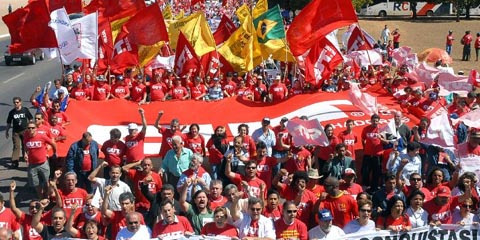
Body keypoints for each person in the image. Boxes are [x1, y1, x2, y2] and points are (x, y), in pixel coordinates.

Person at [24, 122, 57, 198]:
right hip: (32, 165)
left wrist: (55, 152)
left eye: (32, 128)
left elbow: (53, 143)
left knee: (46, 182)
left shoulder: (41, 136)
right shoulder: (26, 138)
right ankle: (41, 198)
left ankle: (47, 196)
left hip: (43, 163)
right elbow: (26, 148)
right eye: (29, 128)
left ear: (36, 129)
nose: (30, 129)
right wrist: (25, 154)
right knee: (36, 184)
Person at [361, 114, 387, 192]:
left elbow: (386, 142)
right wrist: (365, 148)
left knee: (376, 172)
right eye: (373, 120)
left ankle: (374, 188)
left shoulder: (382, 130)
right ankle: (365, 187)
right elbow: (363, 139)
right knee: (365, 171)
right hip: (368, 154)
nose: (375, 122)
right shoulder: (366, 129)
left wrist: (381, 139)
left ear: (379, 121)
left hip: (378, 155)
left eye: (376, 121)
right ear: (371, 120)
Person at [6, 96, 33, 168]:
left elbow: (30, 119)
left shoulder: (25, 110)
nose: (16, 104)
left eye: (17, 102)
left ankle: (26, 157)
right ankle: (15, 161)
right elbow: (9, 123)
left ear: (20, 102)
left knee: (25, 145)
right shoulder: (12, 112)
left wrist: (31, 129)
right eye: (14, 103)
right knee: (16, 146)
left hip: (25, 131)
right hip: (16, 132)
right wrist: (7, 131)